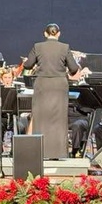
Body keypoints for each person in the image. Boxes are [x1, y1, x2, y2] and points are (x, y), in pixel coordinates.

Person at [24, 24, 82, 160]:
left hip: (42, 85)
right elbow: (73, 68)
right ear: (58, 34)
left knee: (41, 117)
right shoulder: (65, 47)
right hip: (59, 86)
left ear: (45, 33)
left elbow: (28, 65)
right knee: (58, 119)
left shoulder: (37, 46)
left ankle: (41, 151)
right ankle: (58, 153)